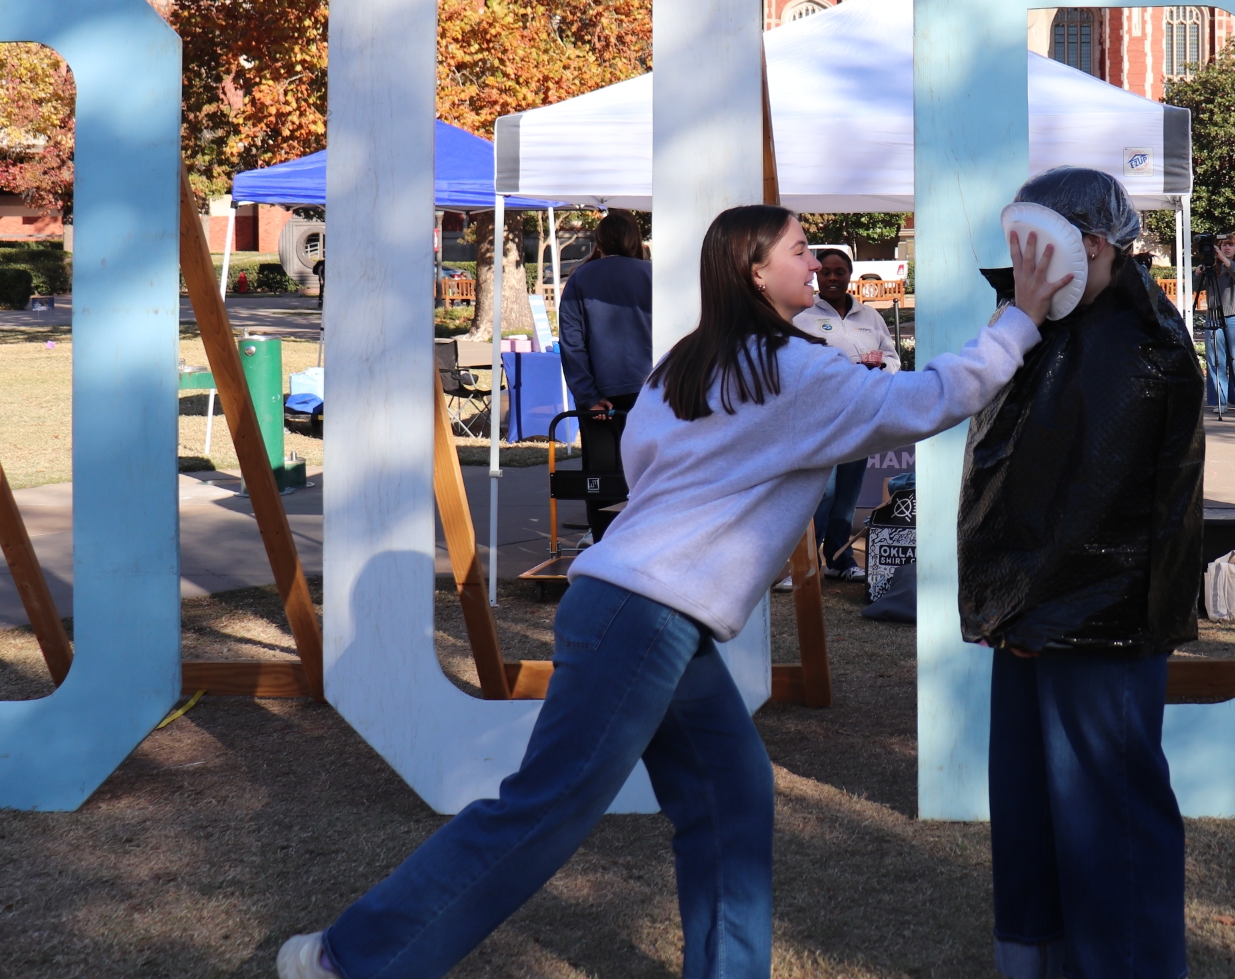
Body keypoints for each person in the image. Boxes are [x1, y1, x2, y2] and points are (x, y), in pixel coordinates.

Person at [277, 204, 1072, 979]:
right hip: (645, 616)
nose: (815, 261)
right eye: (799, 249)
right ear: (755, 271)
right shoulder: (798, 369)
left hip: (639, 609)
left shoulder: (689, 363)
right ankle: (351, 957)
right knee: (543, 809)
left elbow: (646, 465)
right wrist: (1022, 318)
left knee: (733, 795)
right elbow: (931, 398)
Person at [959, 166, 1206, 979]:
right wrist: (1007, 608)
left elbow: (1100, 507)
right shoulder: (1037, 327)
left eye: (1040, 247)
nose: (1024, 265)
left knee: (1110, 823)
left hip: (1097, 630)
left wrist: (1039, 612)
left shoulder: (1142, 344)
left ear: (1093, 244)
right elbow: (999, 477)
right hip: (1033, 622)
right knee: (1030, 813)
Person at [794, 248, 900, 579]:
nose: (832, 278)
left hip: (859, 415)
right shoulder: (802, 316)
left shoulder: (871, 317)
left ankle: (840, 561)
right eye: (825, 272)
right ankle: (804, 565)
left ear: (849, 275)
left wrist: (880, 369)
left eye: (839, 272)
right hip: (820, 418)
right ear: (817, 275)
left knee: (848, 493)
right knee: (821, 492)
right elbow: (794, 363)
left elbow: (893, 358)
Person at [557, 210, 652, 417]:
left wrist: (588, 395)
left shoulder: (580, 278)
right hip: (649, 389)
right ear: (632, 241)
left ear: (598, 242)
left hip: (600, 393)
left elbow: (571, 342)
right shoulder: (652, 274)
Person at [1193, 232, 1235, 418]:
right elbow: (1195, 286)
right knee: (1216, 361)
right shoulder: (1212, 268)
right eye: (1223, 245)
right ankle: (1220, 400)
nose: (1226, 248)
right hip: (1214, 317)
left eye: (1230, 245)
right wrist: (1198, 272)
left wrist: (1224, 260)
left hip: (1234, 317)